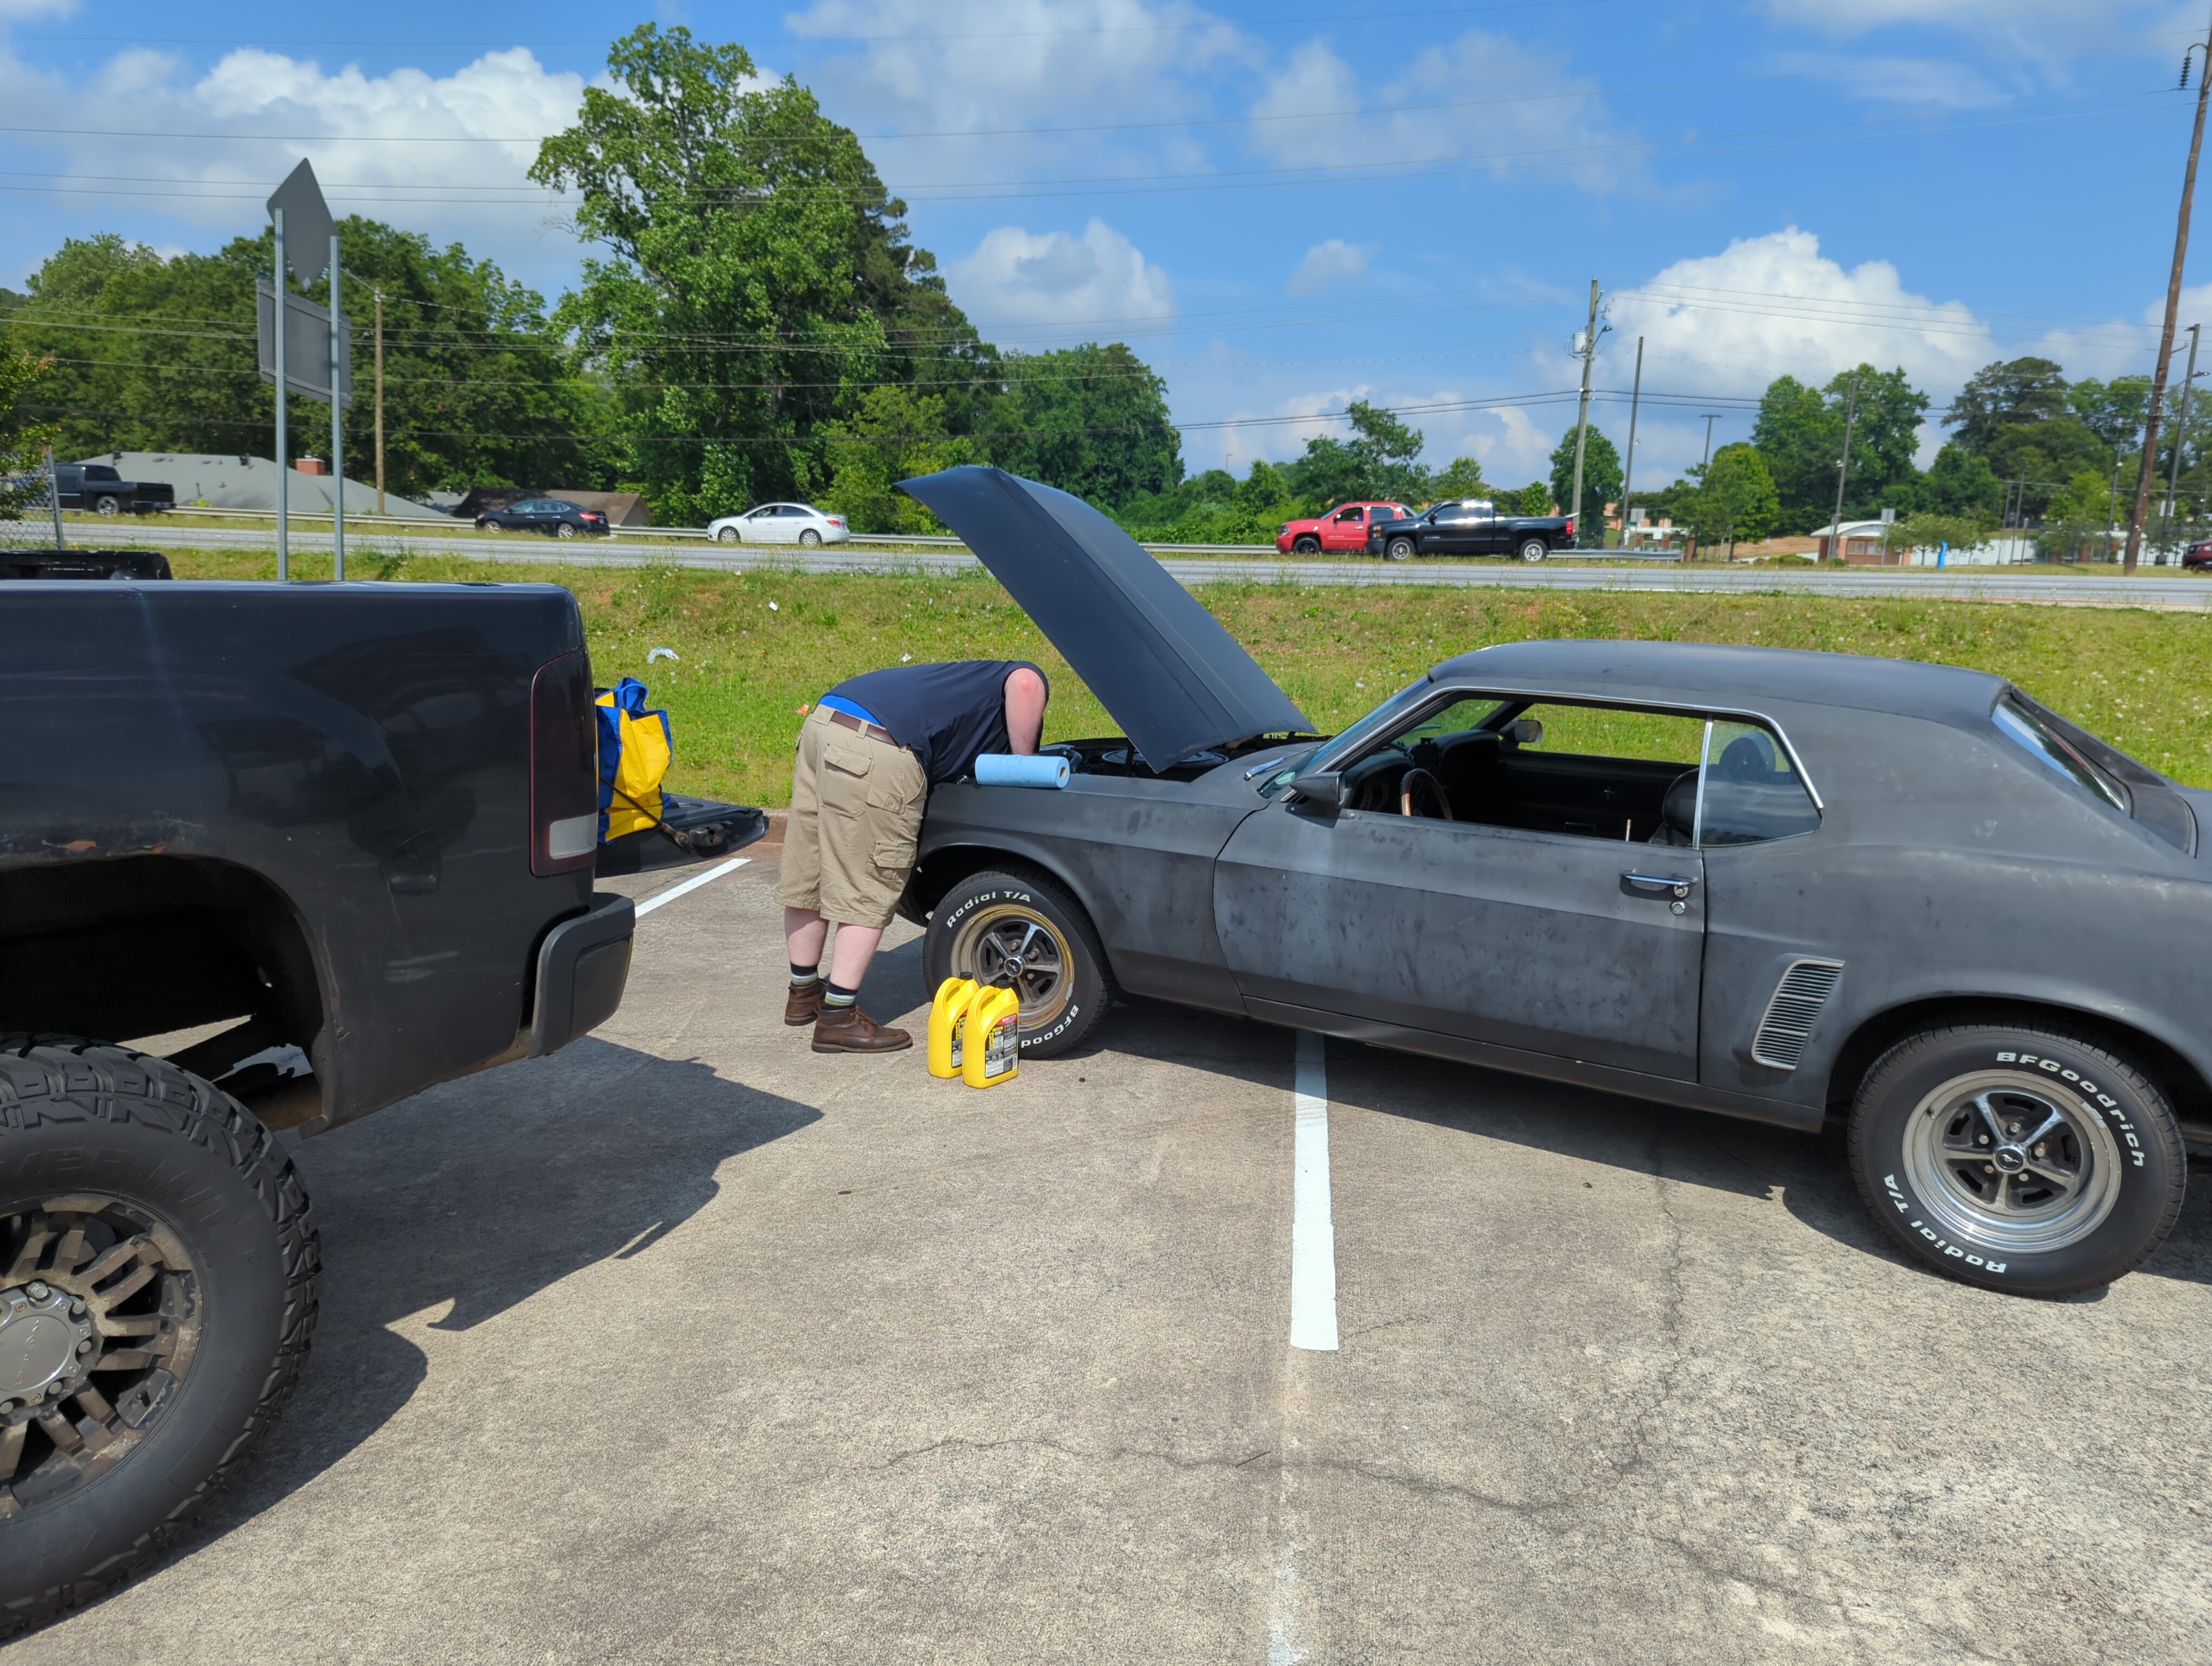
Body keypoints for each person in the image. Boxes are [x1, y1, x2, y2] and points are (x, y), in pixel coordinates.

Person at [779, 659, 1050, 1053]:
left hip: (826, 722)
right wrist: (1025, 768)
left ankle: (803, 994)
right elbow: (1025, 683)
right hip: (879, 745)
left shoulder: (962, 683)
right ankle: (838, 1017)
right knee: (871, 879)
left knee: (811, 871)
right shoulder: (1018, 676)